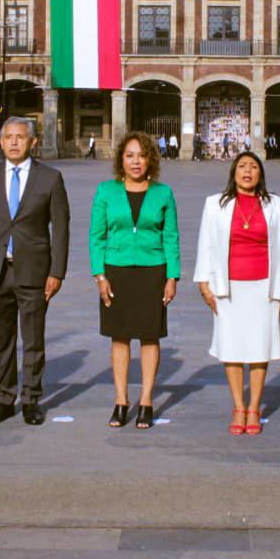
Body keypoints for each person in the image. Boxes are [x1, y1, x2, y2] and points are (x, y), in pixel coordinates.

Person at [0, 116, 69, 426]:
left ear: (32, 142)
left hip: (34, 272)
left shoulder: (50, 178)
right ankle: (4, 398)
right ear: (0, 142)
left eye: (20, 137)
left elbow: (60, 229)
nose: (13, 142)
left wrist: (57, 272)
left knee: (33, 339)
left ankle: (31, 400)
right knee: (2, 340)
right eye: (8, 137)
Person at [194, 151, 280, 436]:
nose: (247, 171)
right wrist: (203, 283)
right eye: (242, 166)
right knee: (232, 347)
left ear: (261, 173)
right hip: (228, 286)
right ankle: (238, 406)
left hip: (264, 285)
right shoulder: (215, 204)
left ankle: (254, 407)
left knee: (260, 347)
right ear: (233, 172)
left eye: (253, 167)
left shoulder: (277, 205)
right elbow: (205, 244)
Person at [89, 131, 180, 429]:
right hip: (116, 270)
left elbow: (171, 237)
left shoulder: (163, 193)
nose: (136, 161)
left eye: (141, 155)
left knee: (150, 336)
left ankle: (146, 401)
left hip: (153, 271)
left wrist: (172, 276)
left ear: (151, 159)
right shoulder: (106, 191)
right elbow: (96, 237)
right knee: (120, 336)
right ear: (121, 160)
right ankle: (120, 400)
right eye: (129, 155)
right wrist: (100, 276)